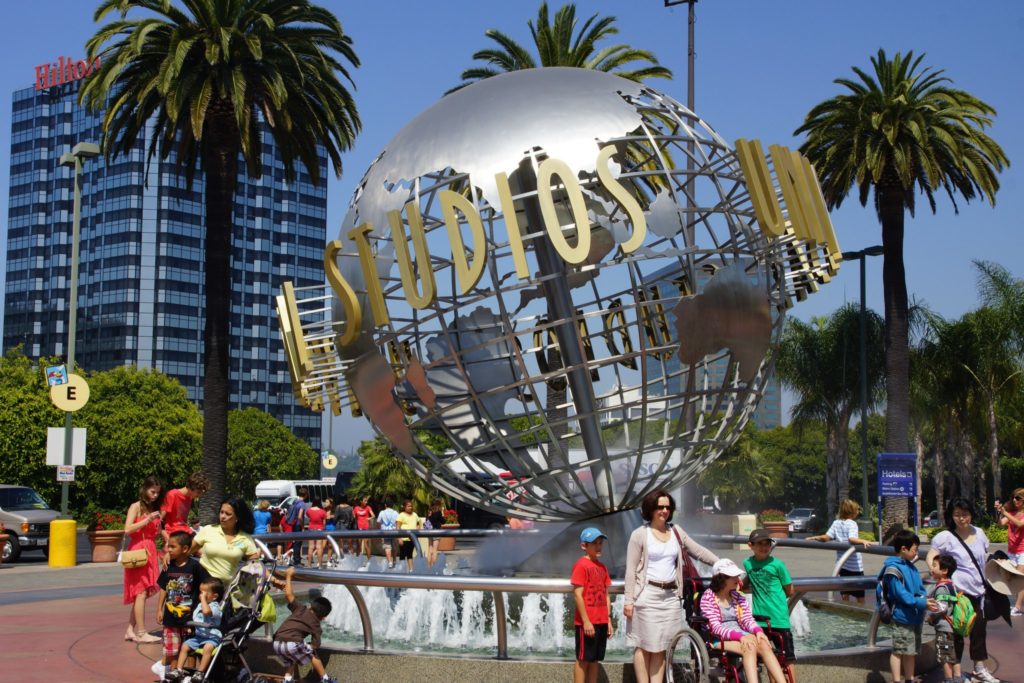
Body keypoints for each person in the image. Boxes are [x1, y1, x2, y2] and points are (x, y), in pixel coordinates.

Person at [624, 488, 719, 683]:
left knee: (661, 646)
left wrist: (721, 564)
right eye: (660, 507)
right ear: (650, 508)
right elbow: (630, 570)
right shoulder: (640, 534)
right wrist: (628, 601)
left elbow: (697, 551)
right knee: (643, 645)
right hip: (647, 595)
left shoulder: (675, 531)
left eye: (668, 507)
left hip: (670, 597)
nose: (664, 511)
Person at [926, 498, 1000, 683]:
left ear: (971, 514)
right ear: (951, 516)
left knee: (979, 631)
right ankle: (956, 675)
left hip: (979, 590)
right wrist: (937, 572)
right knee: (956, 633)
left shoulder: (980, 533)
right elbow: (932, 554)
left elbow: (984, 557)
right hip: (958, 594)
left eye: (964, 514)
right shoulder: (946, 537)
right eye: (956, 514)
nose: (961, 518)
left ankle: (979, 668)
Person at [699, 558, 788, 683]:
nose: (738, 579)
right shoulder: (708, 598)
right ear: (721, 578)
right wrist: (740, 636)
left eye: (737, 575)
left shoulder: (737, 596)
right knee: (750, 646)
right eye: (733, 576)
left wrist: (758, 631)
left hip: (739, 633)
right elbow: (715, 628)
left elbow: (747, 619)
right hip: (716, 638)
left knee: (764, 644)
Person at [884, 528, 940, 683]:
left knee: (911, 650)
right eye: (915, 550)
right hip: (902, 616)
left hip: (915, 616)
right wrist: (922, 602)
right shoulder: (893, 570)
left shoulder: (911, 567)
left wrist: (924, 600)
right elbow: (900, 594)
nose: (917, 553)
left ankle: (909, 678)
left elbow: (919, 589)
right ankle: (897, 680)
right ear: (903, 549)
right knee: (899, 650)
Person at [743, 528, 796, 682]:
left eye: (767, 544)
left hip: (779, 618)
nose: (764, 547)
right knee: (768, 658)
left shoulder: (778, 564)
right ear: (750, 545)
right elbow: (748, 578)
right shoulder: (747, 563)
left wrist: (775, 601)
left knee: (787, 658)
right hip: (759, 621)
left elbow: (789, 590)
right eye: (760, 544)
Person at [155, 530, 207, 681]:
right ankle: (172, 675)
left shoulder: (195, 567)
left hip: (189, 617)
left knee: (189, 648)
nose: (168, 550)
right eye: (167, 546)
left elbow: (205, 584)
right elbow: (164, 588)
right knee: (172, 650)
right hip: (170, 617)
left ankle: (187, 675)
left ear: (185, 549)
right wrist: (159, 608)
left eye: (172, 547)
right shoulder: (168, 566)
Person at [273, 566, 337, 683]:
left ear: (311, 605)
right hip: (291, 643)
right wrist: (311, 645)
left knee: (291, 659)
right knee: (312, 652)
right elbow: (316, 645)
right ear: (323, 617)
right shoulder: (316, 624)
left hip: (277, 643)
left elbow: (288, 595)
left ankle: (287, 680)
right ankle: (325, 679)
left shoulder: (300, 608)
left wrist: (288, 576)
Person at [123, 475, 165, 643]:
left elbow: (158, 532)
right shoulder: (136, 506)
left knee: (144, 592)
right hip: (139, 550)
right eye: (152, 491)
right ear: (145, 489)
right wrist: (147, 520)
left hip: (150, 549)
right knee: (140, 592)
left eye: (157, 493)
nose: (154, 495)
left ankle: (129, 630)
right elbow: (127, 529)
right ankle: (141, 632)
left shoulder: (153, 508)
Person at [807, 499, 872, 603]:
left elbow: (826, 538)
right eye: (857, 510)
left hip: (842, 564)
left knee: (845, 592)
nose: (858, 512)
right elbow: (852, 538)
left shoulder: (836, 523)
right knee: (860, 594)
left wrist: (814, 537)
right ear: (852, 512)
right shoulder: (852, 524)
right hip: (854, 566)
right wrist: (863, 541)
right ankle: (861, 614)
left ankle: (846, 614)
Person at [571, 527, 613, 683]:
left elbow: (606, 594)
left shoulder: (602, 567)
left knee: (595, 659)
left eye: (600, 543)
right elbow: (577, 595)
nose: (598, 546)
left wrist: (608, 619)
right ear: (584, 546)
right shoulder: (581, 565)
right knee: (583, 659)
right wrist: (586, 621)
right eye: (594, 543)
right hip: (587, 622)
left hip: (601, 621)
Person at [190, 497, 261, 583]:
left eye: (228, 514)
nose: (223, 516)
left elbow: (256, 565)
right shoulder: (208, 530)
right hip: (202, 587)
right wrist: (170, 555)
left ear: (237, 517)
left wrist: (274, 580)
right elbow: (186, 550)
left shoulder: (245, 538)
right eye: (221, 512)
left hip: (226, 590)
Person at [170, 577, 224, 680]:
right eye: (200, 592)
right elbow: (197, 619)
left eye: (204, 593)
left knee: (207, 648)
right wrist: (191, 627)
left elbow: (206, 612)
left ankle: (200, 672)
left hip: (212, 638)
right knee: (185, 646)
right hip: (199, 636)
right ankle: (179, 670)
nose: (201, 595)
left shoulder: (215, 606)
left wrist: (203, 599)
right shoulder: (200, 605)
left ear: (214, 596)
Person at [927, 554, 962, 683]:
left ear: (944, 570)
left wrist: (931, 617)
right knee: (956, 654)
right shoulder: (952, 585)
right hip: (955, 626)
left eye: (935, 566)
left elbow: (942, 608)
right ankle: (957, 677)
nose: (932, 568)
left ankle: (948, 679)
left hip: (945, 628)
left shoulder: (942, 588)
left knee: (945, 655)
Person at [994, 488, 1024, 616]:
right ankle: (1016, 605)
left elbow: (1019, 524)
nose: (1014, 500)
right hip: (1012, 550)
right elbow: (1000, 524)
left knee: (1020, 578)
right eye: (1013, 497)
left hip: (1023, 550)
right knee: (1010, 577)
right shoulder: (1011, 512)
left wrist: (1005, 512)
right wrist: (999, 512)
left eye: (1017, 498)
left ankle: (1017, 606)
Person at [161, 472, 209, 543]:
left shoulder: (189, 498)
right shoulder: (172, 494)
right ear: (192, 486)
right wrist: (167, 539)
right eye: (198, 492)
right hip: (173, 534)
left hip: (184, 532)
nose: (200, 495)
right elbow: (159, 519)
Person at [282, 488, 309, 565]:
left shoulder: (294, 502)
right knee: (298, 543)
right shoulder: (302, 504)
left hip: (292, 524)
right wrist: (302, 526)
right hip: (298, 525)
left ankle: (292, 558)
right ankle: (297, 561)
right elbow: (300, 516)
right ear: (306, 495)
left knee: (294, 542)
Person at [396, 500, 422, 571]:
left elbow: (418, 523)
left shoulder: (415, 514)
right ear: (404, 507)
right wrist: (399, 538)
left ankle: (411, 570)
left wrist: (418, 527)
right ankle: (402, 570)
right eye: (408, 506)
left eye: (411, 506)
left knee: (410, 555)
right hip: (404, 539)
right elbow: (398, 527)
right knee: (402, 555)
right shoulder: (401, 515)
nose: (410, 507)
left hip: (412, 538)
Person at [305, 497, 328, 568]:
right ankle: (320, 564)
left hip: (311, 528)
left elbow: (308, 517)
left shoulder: (309, 510)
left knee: (310, 547)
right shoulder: (322, 511)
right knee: (319, 547)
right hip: (320, 529)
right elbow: (324, 523)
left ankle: (309, 564)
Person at [377, 501, 399, 568]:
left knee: (387, 547)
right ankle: (394, 561)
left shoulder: (382, 512)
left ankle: (389, 562)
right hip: (394, 532)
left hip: (385, 532)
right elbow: (398, 522)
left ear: (385, 505)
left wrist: (380, 530)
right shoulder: (395, 512)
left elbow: (378, 522)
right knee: (394, 547)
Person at [353, 496, 375, 562]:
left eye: (366, 501)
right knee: (358, 545)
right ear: (361, 501)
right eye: (365, 500)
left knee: (366, 545)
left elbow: (373, 515)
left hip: (366, 528)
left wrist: (369, 518)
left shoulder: (368, 507)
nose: (366, 502)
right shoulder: (356, 508)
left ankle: (369, 561)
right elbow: (353, 517)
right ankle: (357, 561)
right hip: (359, 528)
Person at [426, 498, 445, 567]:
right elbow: (443, 521)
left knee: (430, 549)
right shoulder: (438, 512)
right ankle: (434, 567)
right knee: (435, 550)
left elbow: (427, 520)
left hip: (429, 531)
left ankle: (428, 566)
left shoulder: (429, 511)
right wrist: (442, 513)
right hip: (436, 531)